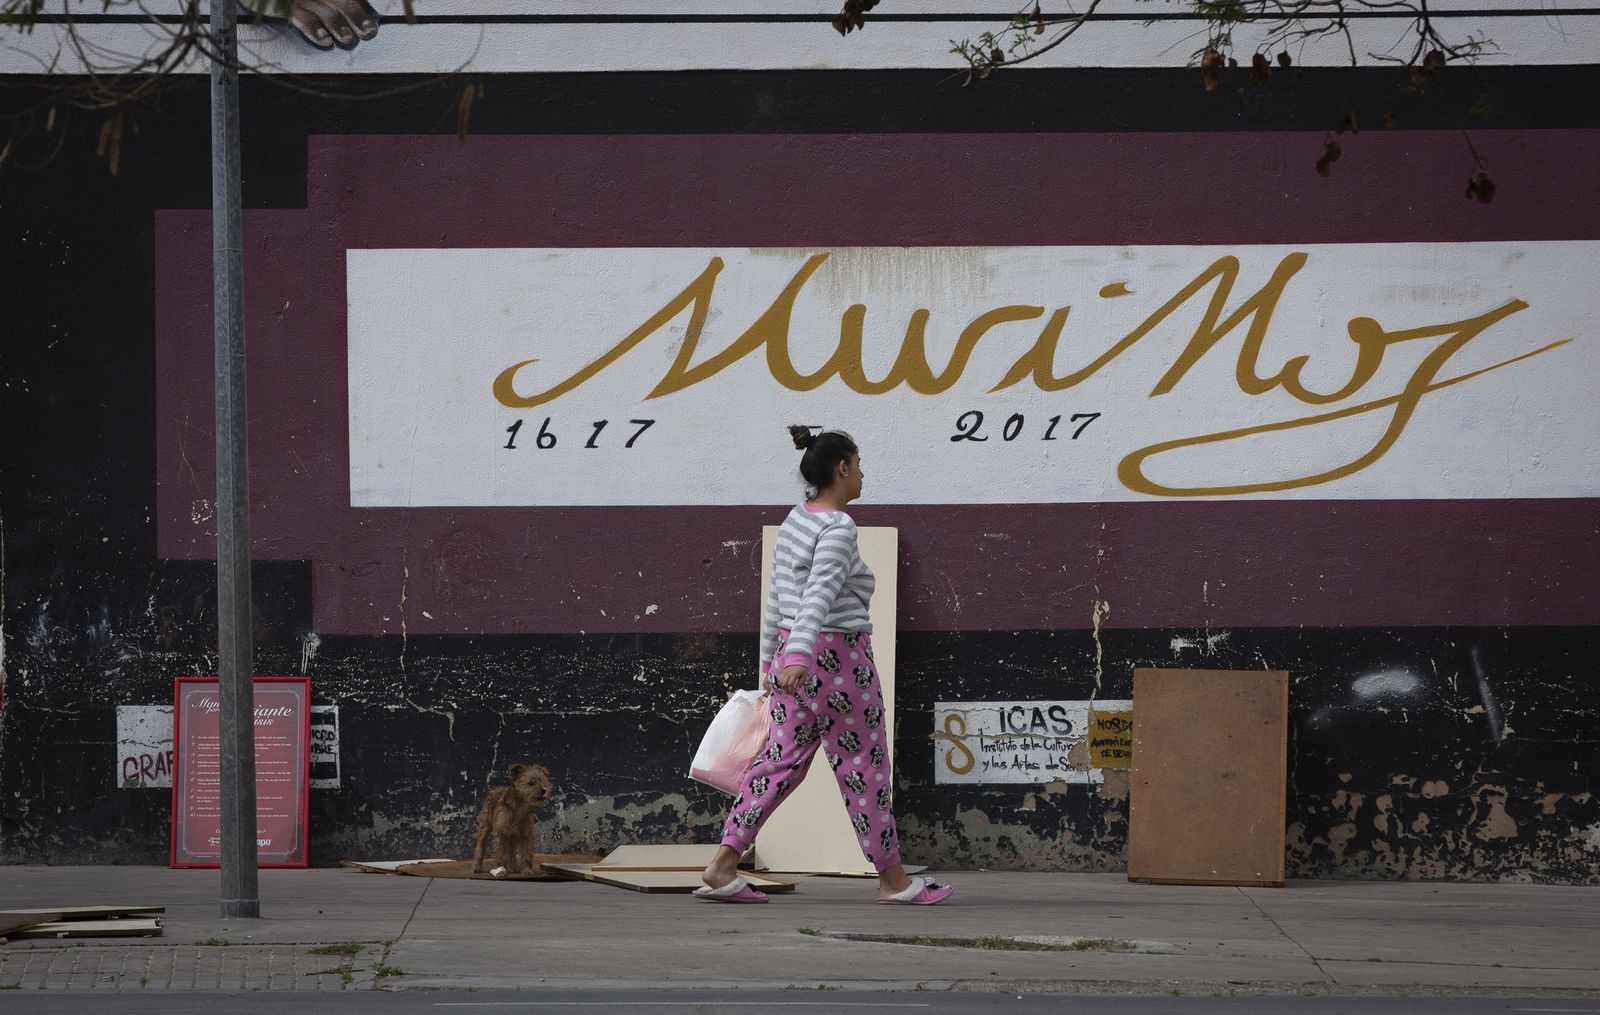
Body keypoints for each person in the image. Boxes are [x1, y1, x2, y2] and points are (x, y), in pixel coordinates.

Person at [695, 426, 954, 905]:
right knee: (865, 765)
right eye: (858, 465)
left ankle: (721, 866)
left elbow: (779, 596)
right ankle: (894, 881)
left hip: (793, 660)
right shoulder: (838, 528)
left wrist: (775, 659)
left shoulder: (796, 519)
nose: (862, 475)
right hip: (837, 660)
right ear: (842, 468)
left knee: (776, 764)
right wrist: (798, 655)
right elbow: (819, 594)